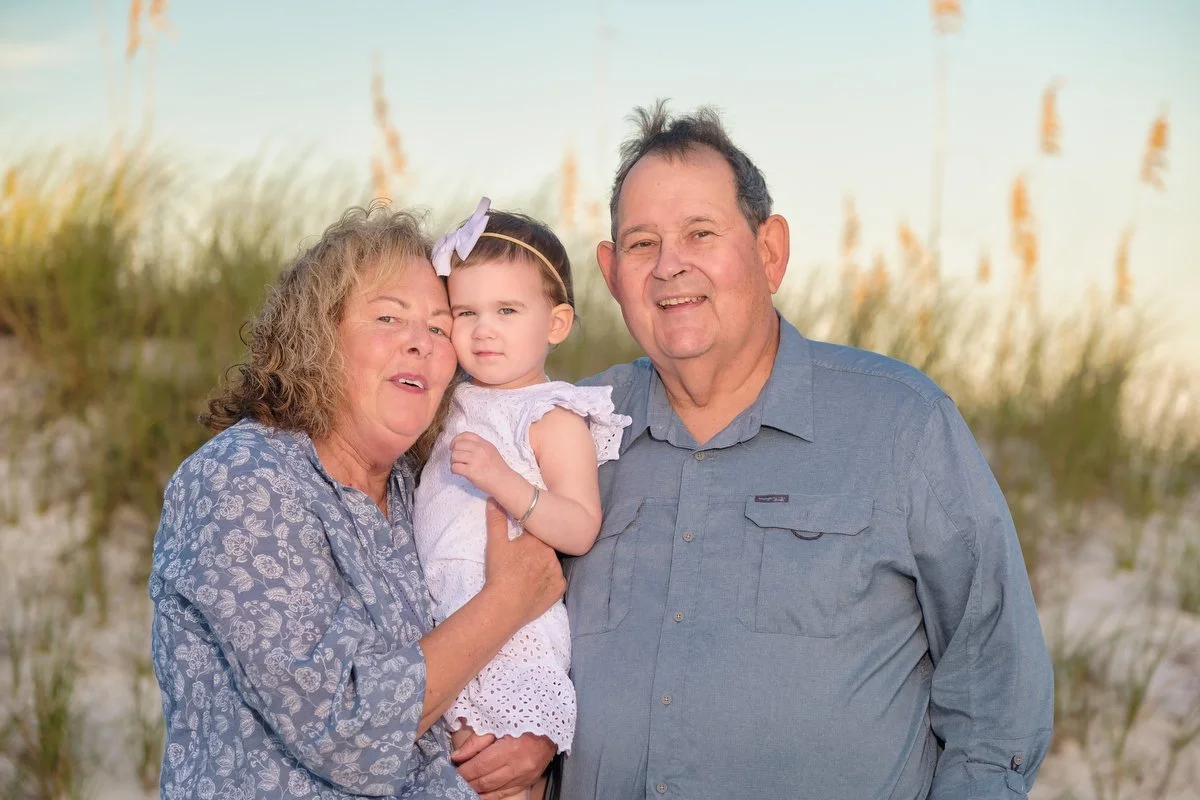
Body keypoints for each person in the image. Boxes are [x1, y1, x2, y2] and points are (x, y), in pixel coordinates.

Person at [555, 103, 1055, 798]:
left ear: (769, 252)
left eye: (701, 233)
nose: (670, 267)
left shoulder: (901, 425)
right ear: (610, 273)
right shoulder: (570, 430)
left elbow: (997, 693)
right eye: (642, 244)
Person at [148, 205, 565, 799]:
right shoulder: (243, 480)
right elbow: (346, 725)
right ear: (317, 338)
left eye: (441, 327)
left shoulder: (421, 487)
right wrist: (510, 599)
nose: (421, 343)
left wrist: (531, 734)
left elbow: (471, 667)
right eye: (389, 318)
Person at [413, 198, 631, 800]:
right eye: (465, 312)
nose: (484, 329)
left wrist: (504, 483)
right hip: (443, 613)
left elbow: (580, 524)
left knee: (503, 775)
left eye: (507, 310)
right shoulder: (451, 401)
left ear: (555, 325)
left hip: (513, 636)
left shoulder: (552, 415)